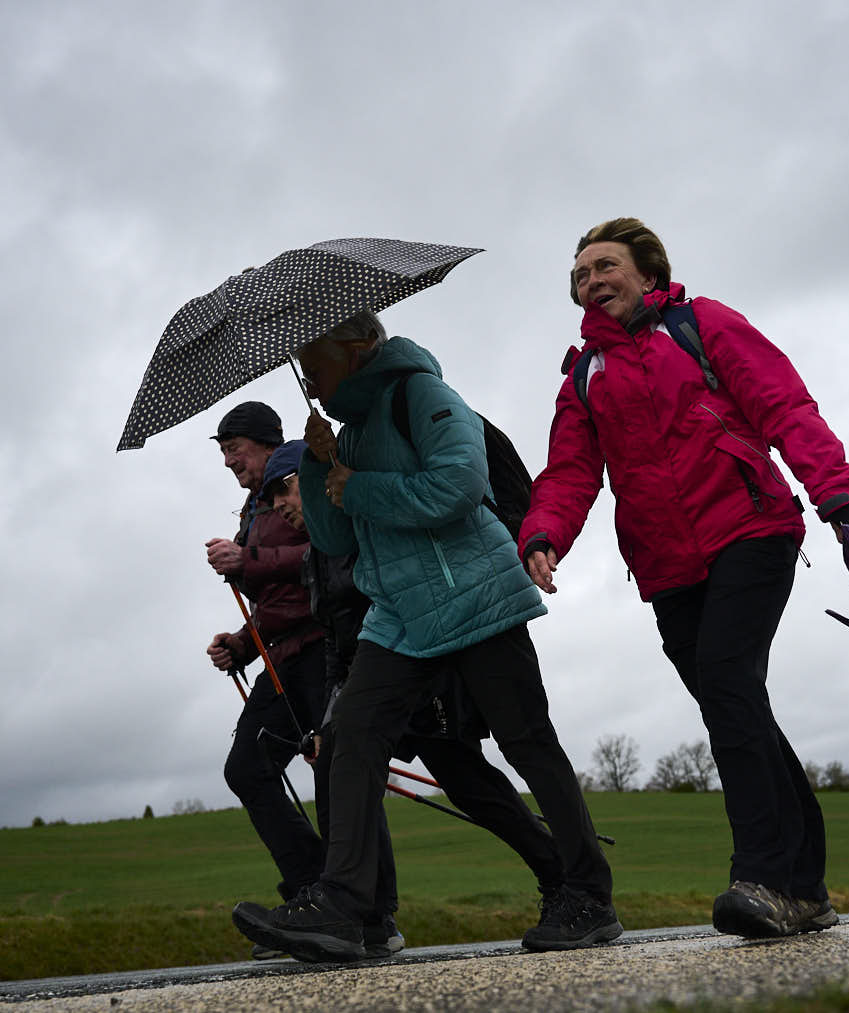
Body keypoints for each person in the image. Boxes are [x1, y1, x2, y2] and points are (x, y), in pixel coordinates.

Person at [519, 218, 849, 939]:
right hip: (665, 563)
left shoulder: (701, 324)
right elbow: (571, 470)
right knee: (735, 703)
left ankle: (765, 879)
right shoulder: (586, 374)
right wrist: (544, 533)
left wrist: (837, 494)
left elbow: (785, 405)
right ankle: (806, 886)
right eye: (582, 274)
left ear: (648, 272)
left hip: (751, 529)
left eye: (606, 266)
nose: (592, 281)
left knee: (728, 683)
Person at [234, 310, 618, 963]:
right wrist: (327, 473)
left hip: (476, 597)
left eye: (315, 361)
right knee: (350, 740)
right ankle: (345, 906)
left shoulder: (424, 393)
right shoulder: (348, 435)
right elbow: (334, 540)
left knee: (529, 743)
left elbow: (458, 485)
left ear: (356, 347)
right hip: (400, 617)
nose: (309, 376)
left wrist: (358, 484)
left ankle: (587, 895)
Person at [237, 442, 568, 958]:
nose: (278, 505)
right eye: (272, 496)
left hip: (421, 665)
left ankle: (557, 873)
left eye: (285, 488)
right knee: (357, 767)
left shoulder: (354, 521)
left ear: (316, 479)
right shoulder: (321, 550)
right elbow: (335, 632)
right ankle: (363, 914)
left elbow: (394, 593)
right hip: (378, 673)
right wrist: (330, 712)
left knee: (469, 784)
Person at [199, 403, 332, 929]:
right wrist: (241, 645)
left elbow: (324, 558)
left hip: (323, 651)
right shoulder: (253, 509)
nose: (228, 461)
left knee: (335, 778)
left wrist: (247, 561)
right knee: (247, 769)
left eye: (234, 448)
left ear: (265, 443)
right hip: (280, 660)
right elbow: (277, 602)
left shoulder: (304, 479)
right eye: (224, 451)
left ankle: (369, 915)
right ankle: (312, 891)